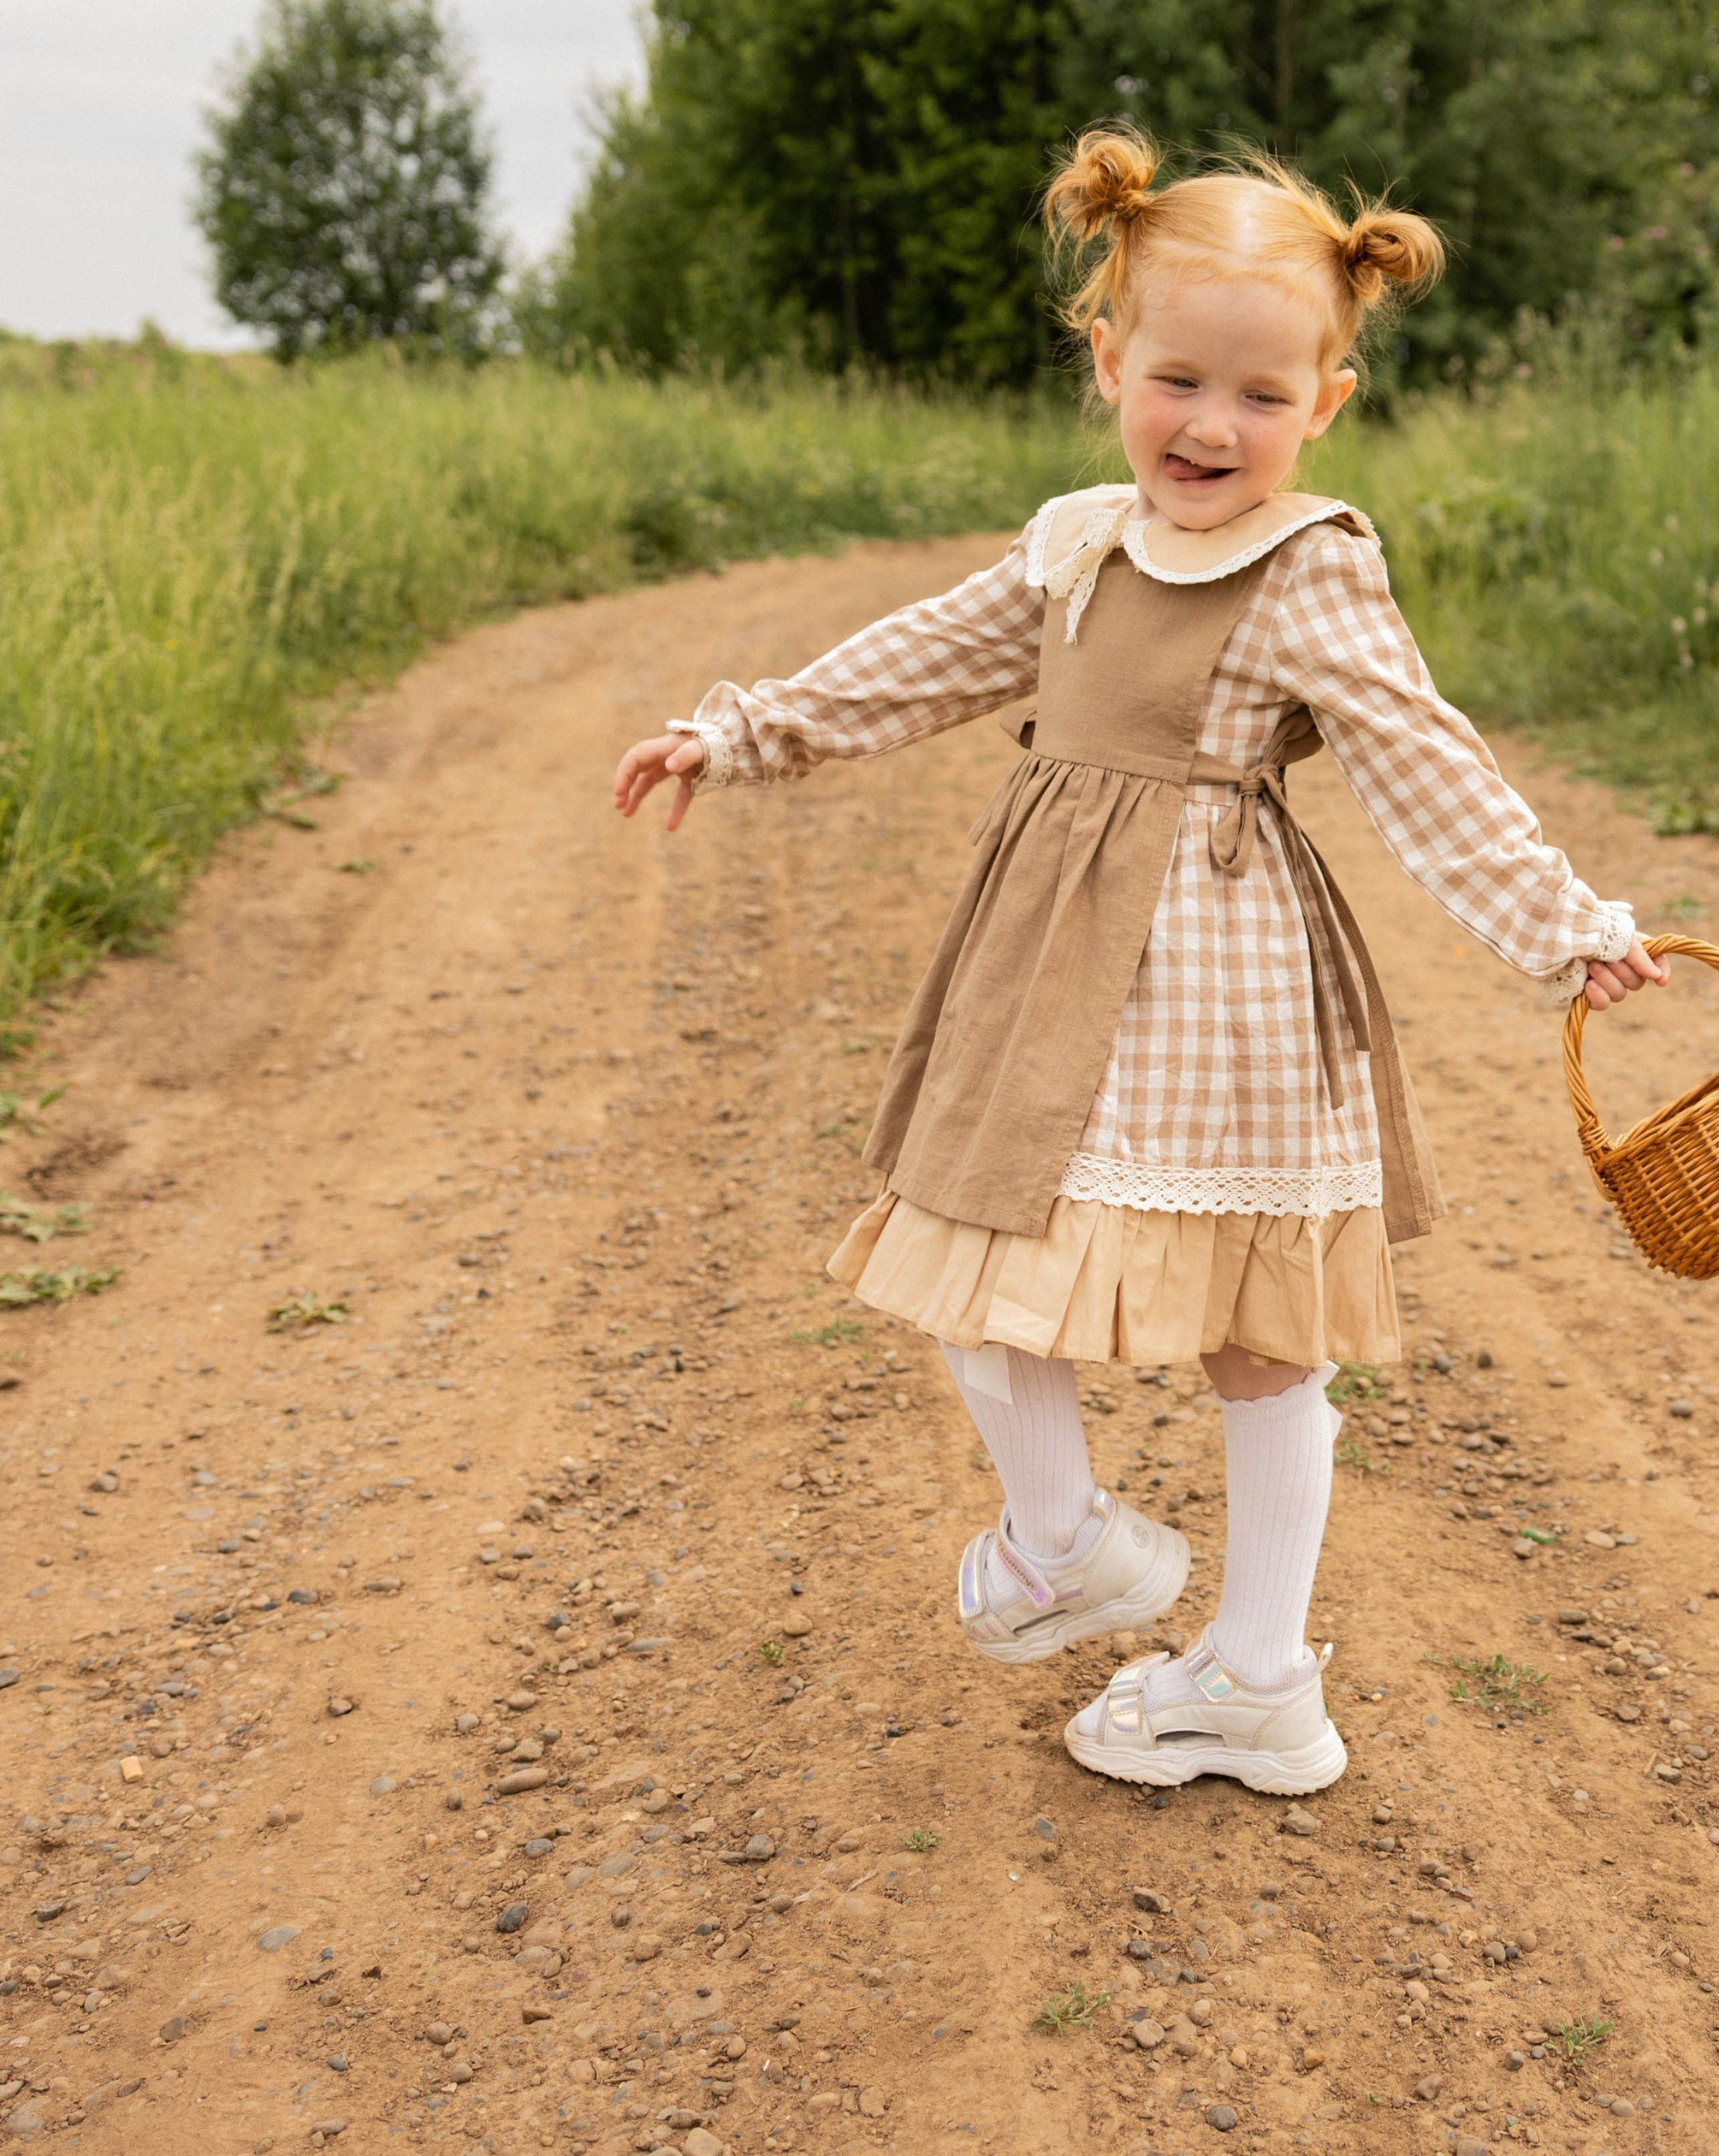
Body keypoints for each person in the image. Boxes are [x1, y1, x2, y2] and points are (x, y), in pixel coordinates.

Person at [611, 130, 1664, 1797]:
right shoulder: (1081, 543)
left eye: (1260, 395)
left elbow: (1427, 766)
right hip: (1045, 973)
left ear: (1325, 404)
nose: (1209, 426)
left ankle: (1257, 1676)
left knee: (1259, 1335)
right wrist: (742, 731)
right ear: (1107, 361)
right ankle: (1064, 1540)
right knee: (968, 1257)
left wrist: (1566, 926)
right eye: (1177, 379)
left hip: (1224, 1003)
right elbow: (923, 659)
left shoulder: (1311, 570)